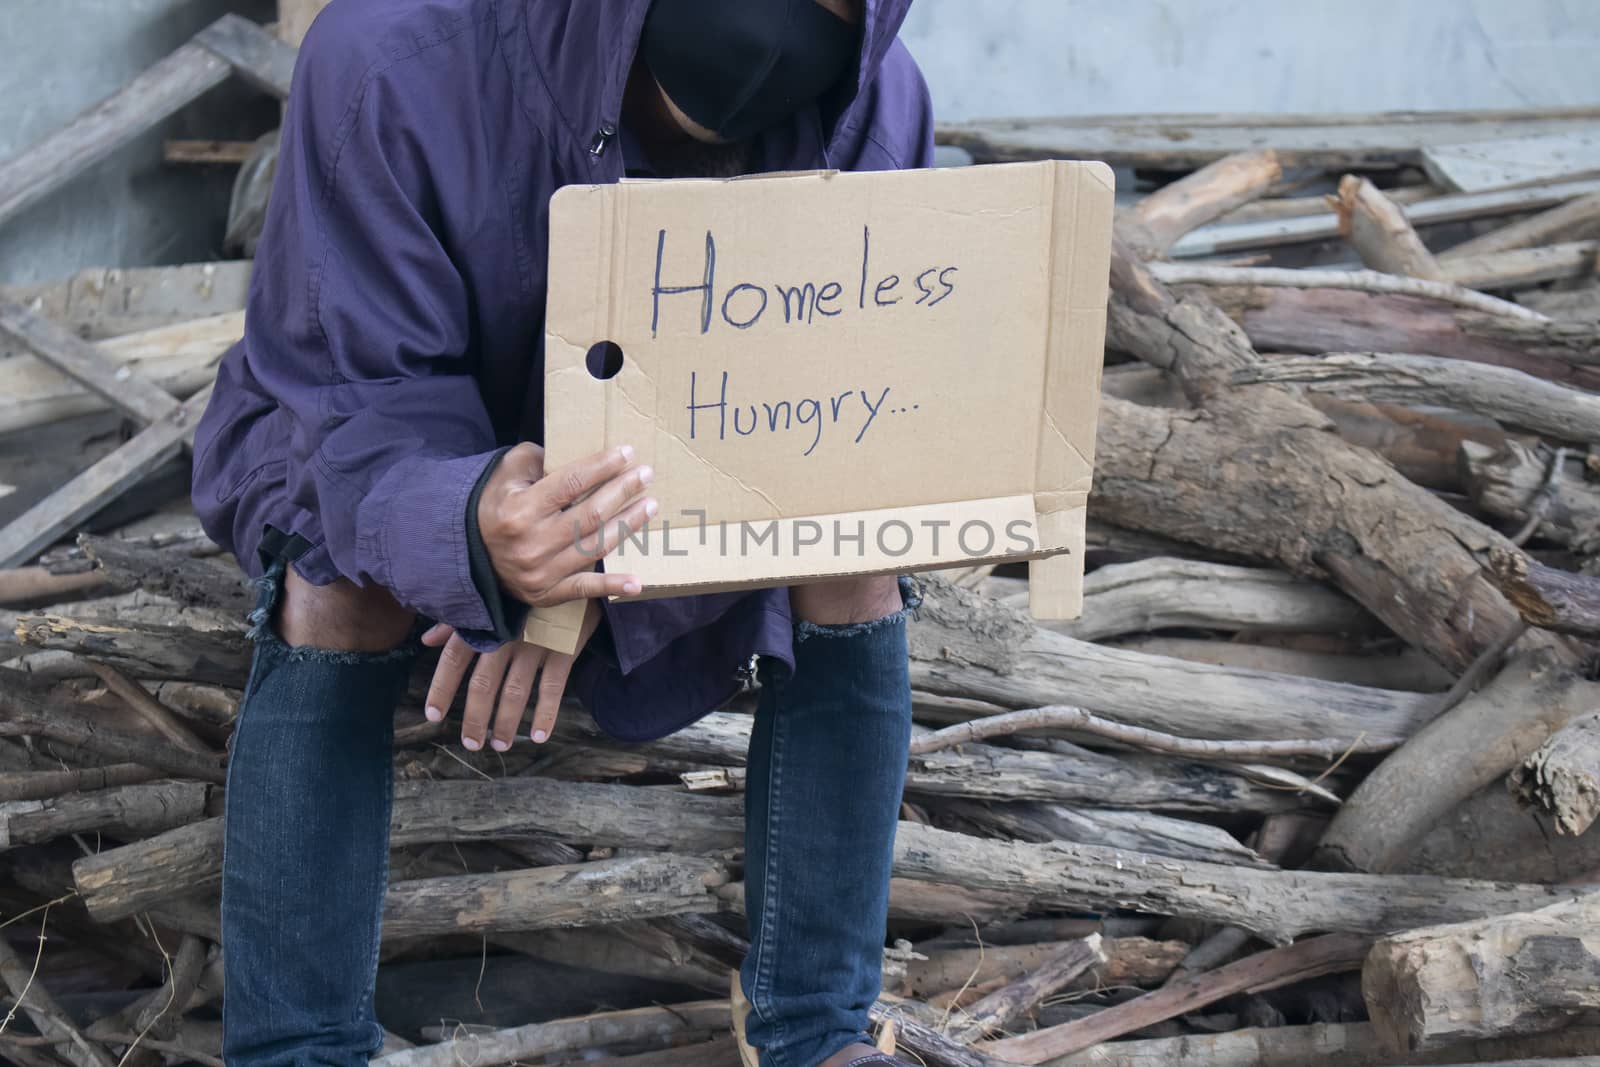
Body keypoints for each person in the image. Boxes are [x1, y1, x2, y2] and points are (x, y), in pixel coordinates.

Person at [191, 0, 934, 1064]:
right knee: (336, 584)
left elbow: (814, 418)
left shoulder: (877, 104)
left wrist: (579, 573)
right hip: (372, 443)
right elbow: (358, 397)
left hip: (659, 489)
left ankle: (817, 1026)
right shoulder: (387, 54)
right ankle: (296, 1043)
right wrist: (471, 531)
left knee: (859, 556)